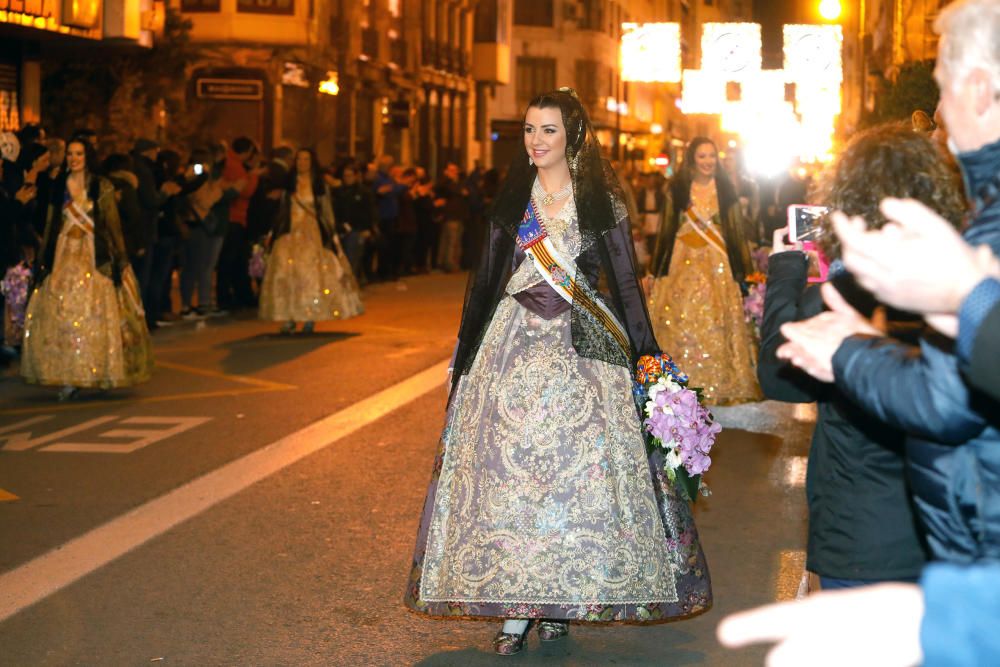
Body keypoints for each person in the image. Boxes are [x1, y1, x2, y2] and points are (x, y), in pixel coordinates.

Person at [403, 89, 711, 655]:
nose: (535, 141)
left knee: (576, 481)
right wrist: (466, 356)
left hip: (585, 354)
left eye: (547, 130)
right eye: (527, 130)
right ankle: (519, 606)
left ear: (571, 135)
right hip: (511, 345)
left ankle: (561, 600)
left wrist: (649, 360)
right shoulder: (511, 204)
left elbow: (625, 286)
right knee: (508, 478)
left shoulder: (600, 205)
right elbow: (486, 281)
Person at [774, 0, 1000, 565]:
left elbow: (951, 403)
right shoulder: (981, 204)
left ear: (977, 86)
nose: (938, 110)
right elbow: (949, 388)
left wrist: (852, 351)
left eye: (943, 87)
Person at [760, 124, 969, 591]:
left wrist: (786, 271)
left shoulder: (847, 295)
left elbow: (779, 374)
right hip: (953, 537)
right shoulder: (970, 285)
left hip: (860, 540)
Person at [20, 138, 153, 400]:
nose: (73, 158)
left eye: (79, 153)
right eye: (70, 154)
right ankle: (67, 375)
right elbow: (50, 224)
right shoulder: (58, 186)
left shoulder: (100, 185)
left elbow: (112, 225)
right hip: (63, 256)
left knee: (95, 317)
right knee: (61, 316)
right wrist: (43, 261)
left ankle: (98, 370)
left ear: (87, 156)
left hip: (93, 257)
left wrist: (121, 258)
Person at [648, 137, 761, 404]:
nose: (708, 161)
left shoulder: (725, 188)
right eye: (702, 156)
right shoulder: (677, 189)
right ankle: (676, 380)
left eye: (712, 156)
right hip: (681, 258)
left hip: (716, 263)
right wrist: (656, 270)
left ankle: (716, 382)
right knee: (677, 316)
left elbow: (735, 231)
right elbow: (666, 230)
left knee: (716, 317)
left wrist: (742, 271)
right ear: (692, 159)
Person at [258, 148, 363, 333]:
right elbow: (282, 210)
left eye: (306, 160)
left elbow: (326, 211)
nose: (302, 163)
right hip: (290, 233)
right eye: (299, 159)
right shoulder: (289, 184)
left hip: (312, 233)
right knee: (288, 274)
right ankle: (289, 317)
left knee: (311, 277)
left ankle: (309, 316)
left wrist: (331, 234)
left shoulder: (319, 184)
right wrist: (273, 232)